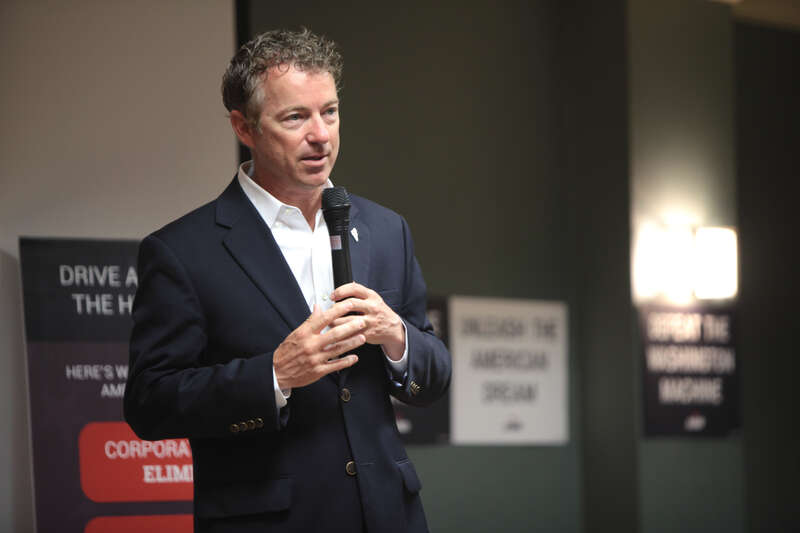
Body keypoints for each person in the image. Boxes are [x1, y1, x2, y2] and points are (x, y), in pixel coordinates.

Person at [123, 28, 451, 533]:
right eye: (296, 117)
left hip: (390, 515)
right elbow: (150, 403)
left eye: (330, 111)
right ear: (244, 127)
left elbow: (433, 374)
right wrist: (274, 375)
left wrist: (397, 338)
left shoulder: (387, 230)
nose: (321, 134)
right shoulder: (182, 251)